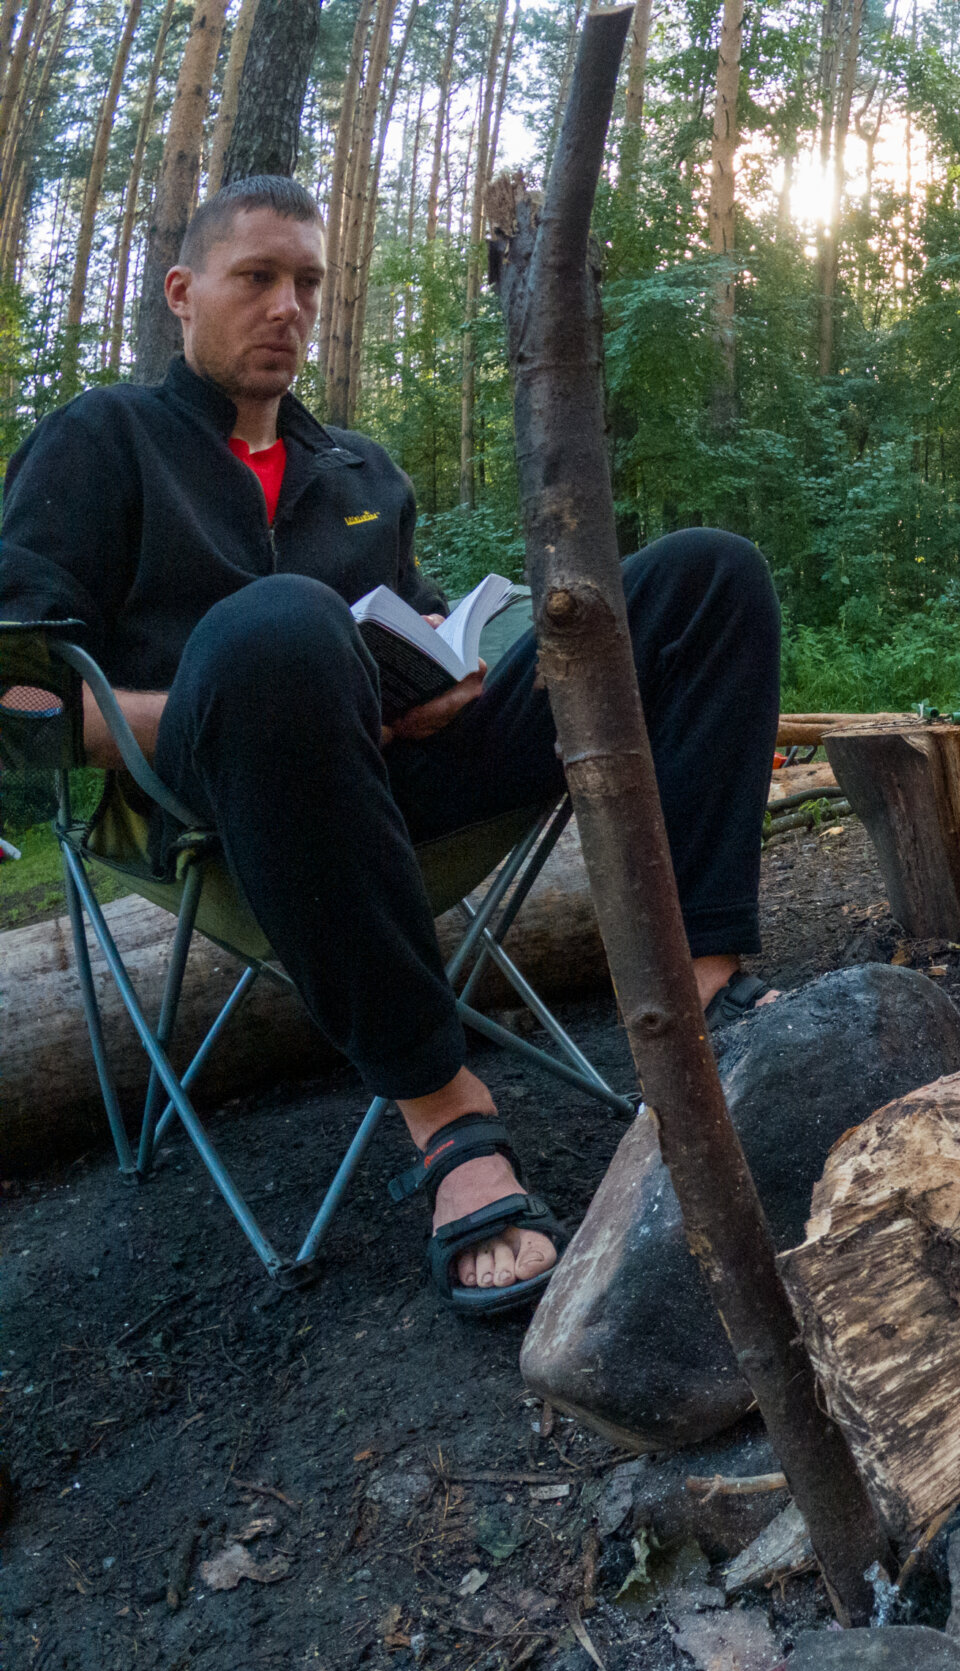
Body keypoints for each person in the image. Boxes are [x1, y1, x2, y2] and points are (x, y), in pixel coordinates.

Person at [0, 176, 782, 1316]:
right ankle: (447, 1116)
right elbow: (15, 713)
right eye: (255, 277)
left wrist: (450, 684)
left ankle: (706, 997)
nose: (286, 306)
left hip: (402, 773)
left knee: (706, 575)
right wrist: (217, 711)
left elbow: (405, 634)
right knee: (284, 625)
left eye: (306, 283)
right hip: (210, 801)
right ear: (183, 292)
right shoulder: (101, 442)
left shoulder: (360, 473)